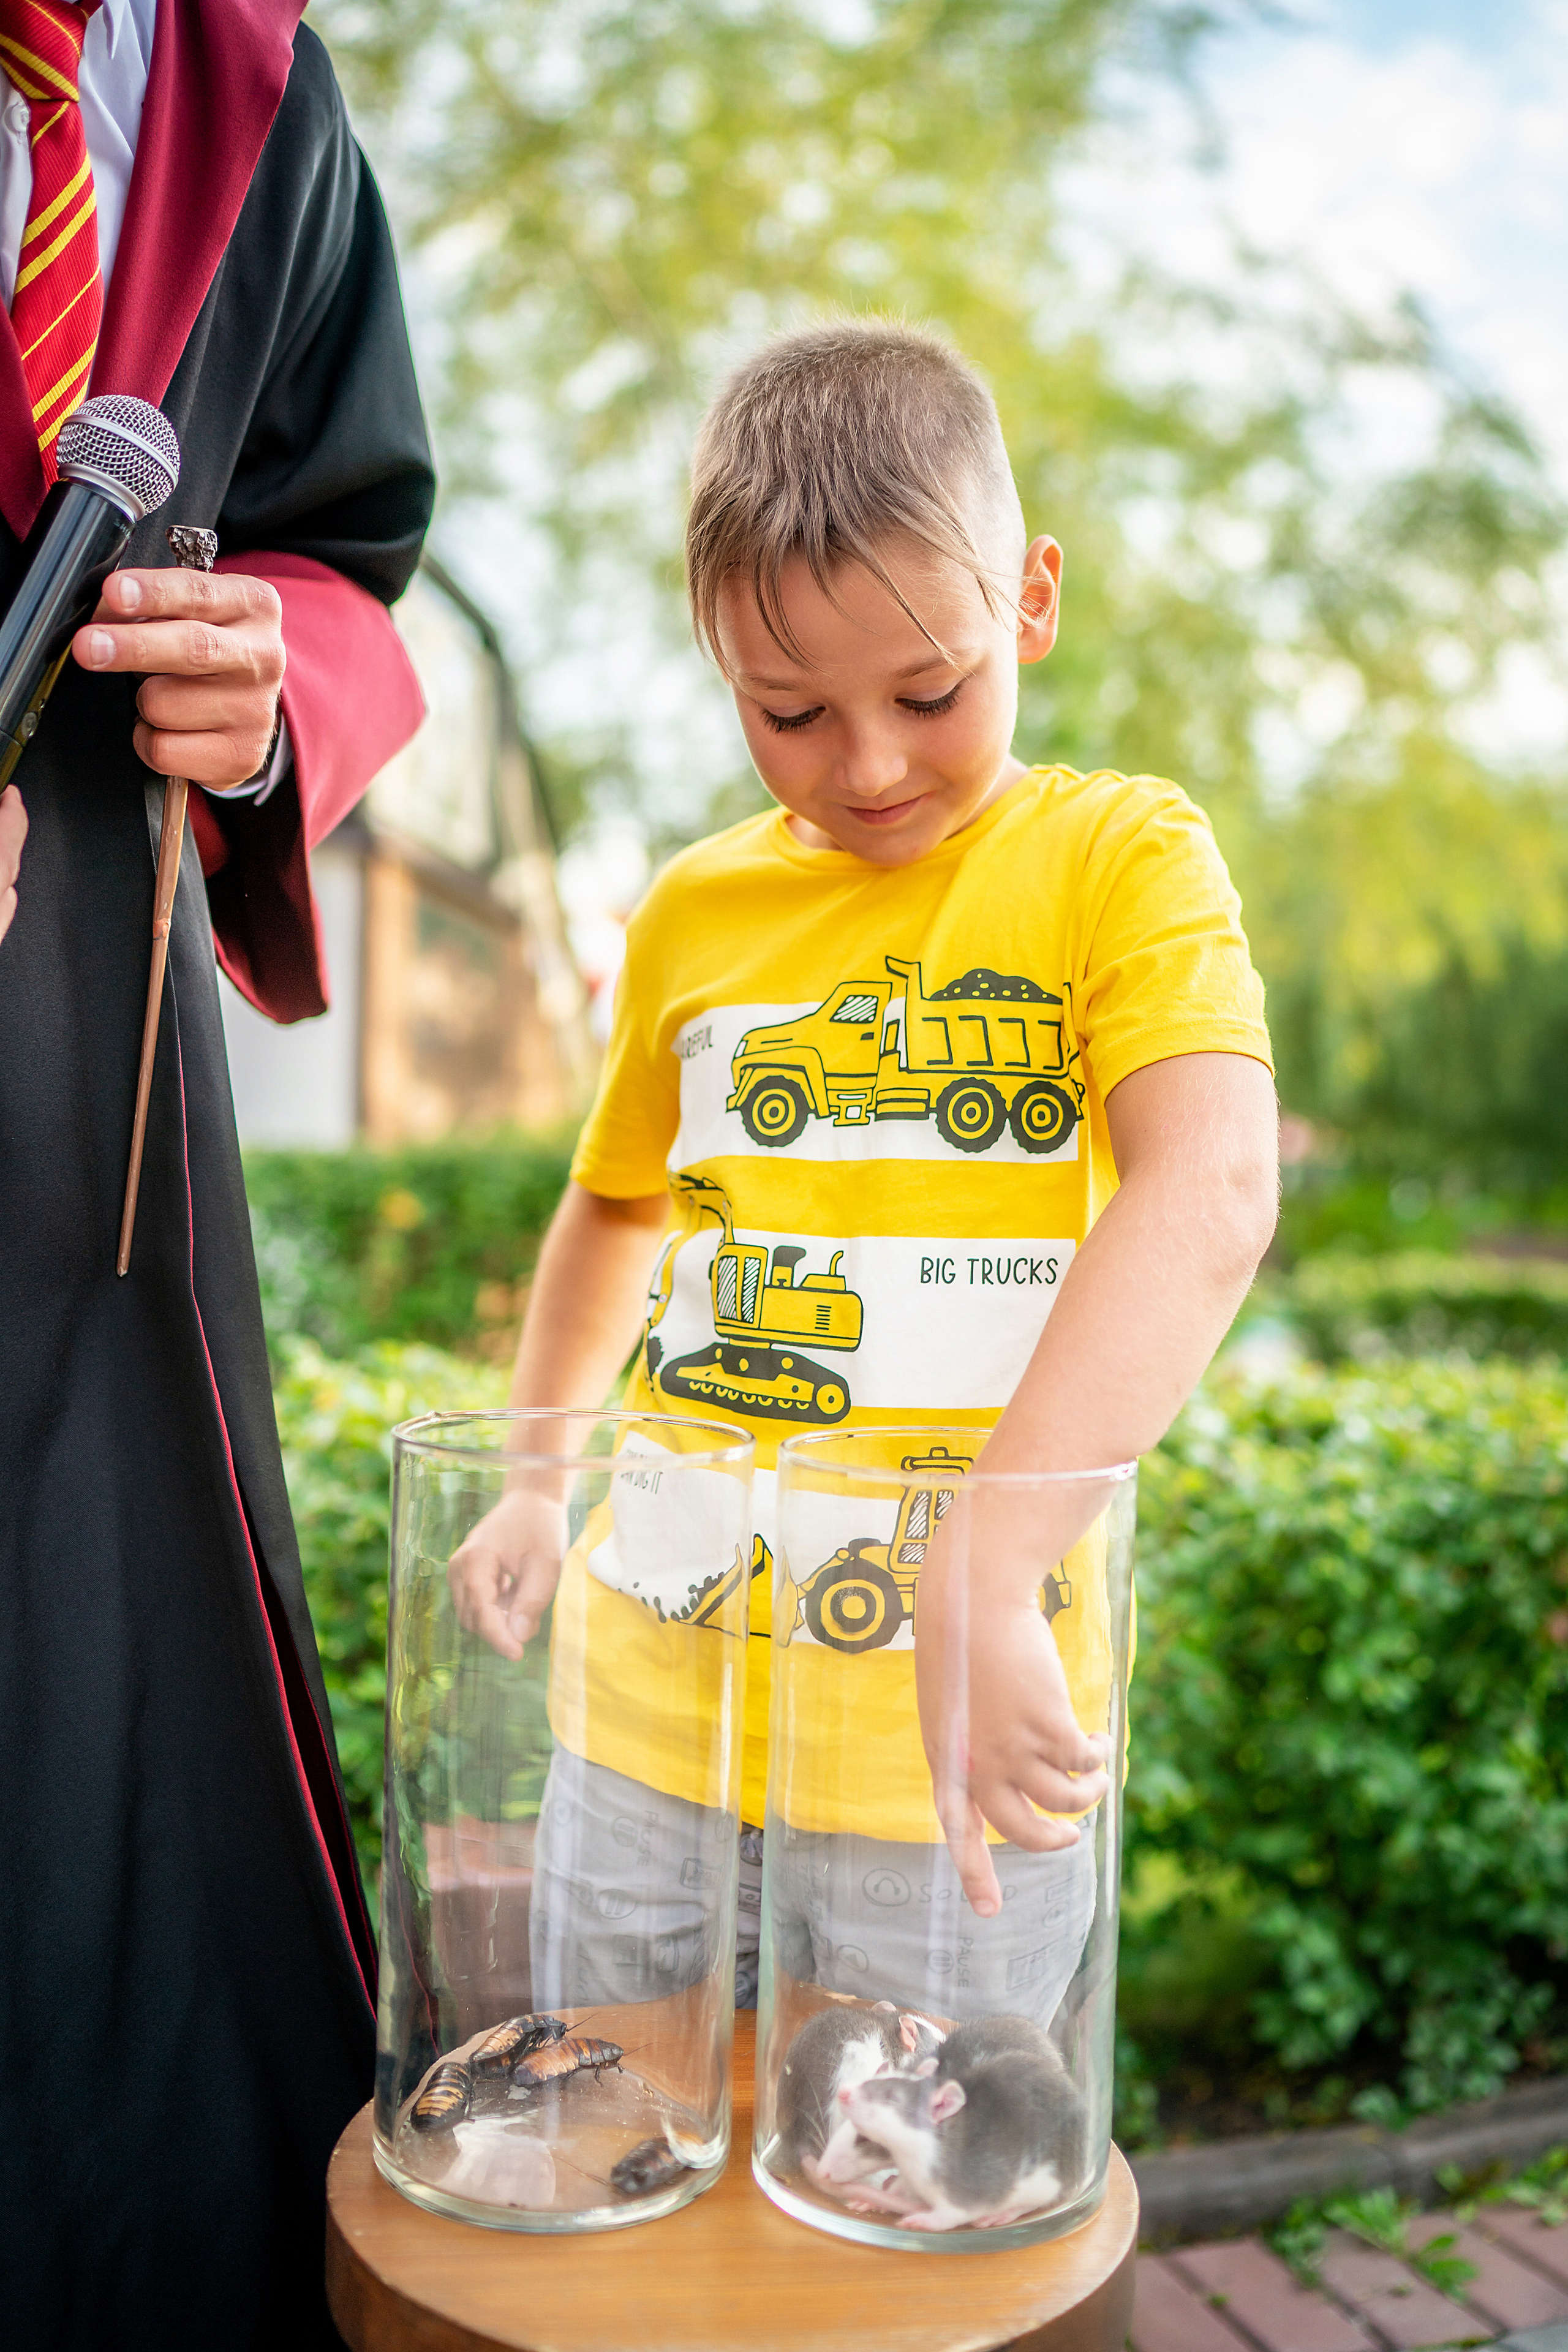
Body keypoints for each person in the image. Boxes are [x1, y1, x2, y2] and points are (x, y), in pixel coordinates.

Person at [451, 318, 1276, 2020]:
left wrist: (983, 1559)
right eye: (789, 711)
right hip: (643, 1727)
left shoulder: (1118, 856)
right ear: (717, 660)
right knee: (617, 2145)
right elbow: (619, 1201)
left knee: (920, 2209)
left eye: (930, 690)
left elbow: (1208, 1191)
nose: (872, 764)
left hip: (954, 1743)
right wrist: (539, 1470)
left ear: (1030, 601)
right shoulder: (693, 913)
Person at [0, 3, 432, 2345]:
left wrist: (268, 685)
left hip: (105, 1094)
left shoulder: (259, 85)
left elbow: (349, 541)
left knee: (132, 1849)